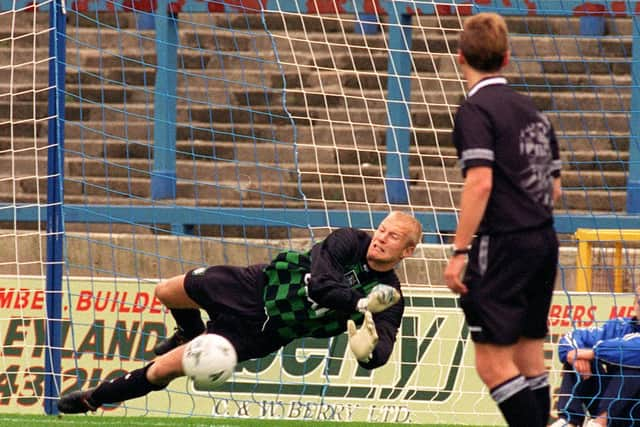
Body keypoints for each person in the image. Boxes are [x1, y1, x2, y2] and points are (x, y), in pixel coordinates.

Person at [57, 211, 423, 414]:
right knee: (165, 290)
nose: (380, 237)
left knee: (164, 368)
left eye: (392, 237)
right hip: (254, 286)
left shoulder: (389, 296)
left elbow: (382, 350)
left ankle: (95, 398)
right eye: (382, 229)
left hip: (263, 332)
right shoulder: (348, 240)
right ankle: (188, 331)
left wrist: (368, 353)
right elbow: (320, 286)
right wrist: (358, 305)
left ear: (407, 252)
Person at [443, 12, 562, 427]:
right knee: (530, 355)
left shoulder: (475, 109)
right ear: (507, 58)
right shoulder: (534, 111)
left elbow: (479, 183)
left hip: (504, 244)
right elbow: (555, 189)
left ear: (461, 57)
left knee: (493, 364)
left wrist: (459, 251)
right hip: (544, 241)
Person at [550, 291, 640, 427]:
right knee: (576, 359)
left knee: (632, 367)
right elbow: (573, 336)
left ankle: (600, 423)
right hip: (612, 405)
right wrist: (576, 355)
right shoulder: (618, 326)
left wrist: (593, 352)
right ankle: (569, 421)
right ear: (634, 305)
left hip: (636, 411)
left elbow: (634, 348)